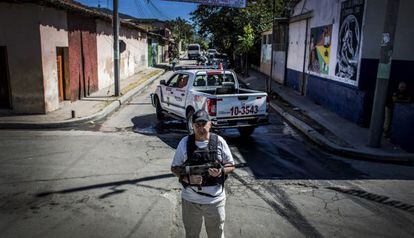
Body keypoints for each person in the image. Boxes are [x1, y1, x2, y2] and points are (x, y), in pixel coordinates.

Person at [171, 110, 235, 238]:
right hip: (190, 201)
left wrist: (220, 171)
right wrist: (188, 179)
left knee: (216, 234)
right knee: (191, 234)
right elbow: (174, 168)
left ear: (210, 124)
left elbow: (231, 166)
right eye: (197, 125)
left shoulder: (219, 141)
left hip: (215, 201)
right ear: (192, 126)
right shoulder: (184, 142)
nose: (201, 127)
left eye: (203, 124)